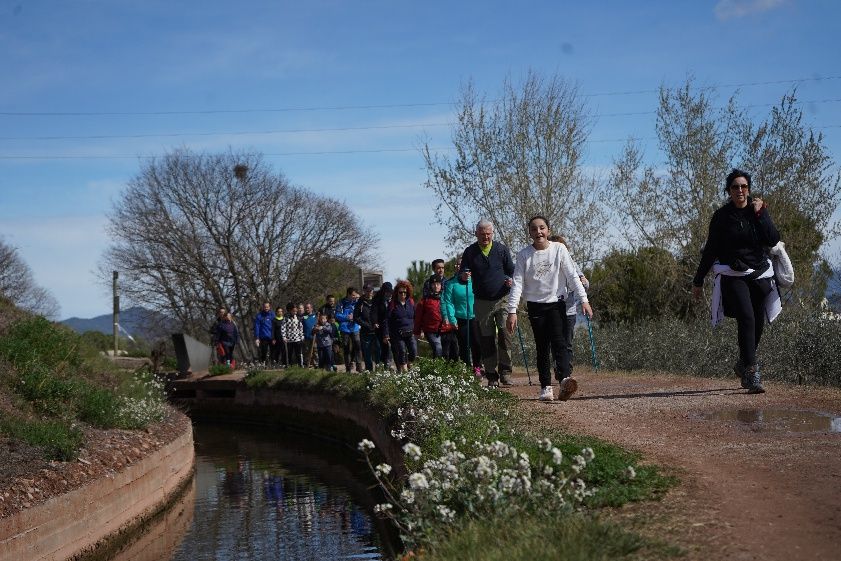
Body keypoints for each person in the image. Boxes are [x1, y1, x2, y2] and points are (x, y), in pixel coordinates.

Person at [692, 169, 781, 394]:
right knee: (747, 316)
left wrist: (762, 214)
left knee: (758, 322)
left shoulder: (757, 211)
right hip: (734, 273)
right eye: (735, 187)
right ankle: (751, 374)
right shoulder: (722, 216)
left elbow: (772, 239)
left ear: (748, 189)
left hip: (759, 272)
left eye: (743, 186)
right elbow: (711, 249)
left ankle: (743, 362)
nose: (740, 190)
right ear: (729, 191)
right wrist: (698, 280)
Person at [506, 216, 592, 402]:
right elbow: (517, 284)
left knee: (560, 343)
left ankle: (564, 380)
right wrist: (512, 311)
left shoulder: (559, 249)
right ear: (529, 233)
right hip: (536, 306)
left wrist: (583, 300)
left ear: (548, 231)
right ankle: (545, 387)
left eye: (542, 228)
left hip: (557, 303)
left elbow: (572, 276)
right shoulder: (523, 255)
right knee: (542, 346)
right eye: (534, 229)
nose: (539, 232)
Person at [459, 220, 515, 387]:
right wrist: (464, 276)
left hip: (502, 298)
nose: (485, 237)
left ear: (492, 233)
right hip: (481, 301)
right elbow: (463, 271)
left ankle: (506, 372)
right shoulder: (470, 252)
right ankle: (491, 375)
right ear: (476, 233)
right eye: (482, 234)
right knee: (486, 338)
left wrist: (510, 281)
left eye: (488, 234)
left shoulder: (501, 250)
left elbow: (511, 271)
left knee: (505, 335)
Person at [548, 235, 590, 383]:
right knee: (555, 343)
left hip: (569, 310)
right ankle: (559, 369)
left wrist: (583, 282)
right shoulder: (547, 266)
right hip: (552, 310)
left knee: (567, 343)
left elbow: (584, 284)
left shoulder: (572, 263)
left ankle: (567, 372)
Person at [442, 265, 482, 375]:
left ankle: (477, 367)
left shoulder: (475, 282)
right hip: (460, 318)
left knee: (477, 343)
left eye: (469, 271)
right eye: (465, 271)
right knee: (464, 345)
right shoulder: (451, 284)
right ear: (460, 272)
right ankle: (467, 368)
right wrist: (452, 319)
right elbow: (448, 302)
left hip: (475, 317)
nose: (467, 274)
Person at [414, 274, 455, 359]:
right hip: (431, 330)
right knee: (438, 349)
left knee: (446, 354)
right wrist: (417, 332)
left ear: (441, 285)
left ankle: (444, 371)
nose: (436, 286)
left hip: (447, 329)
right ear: (430, 285)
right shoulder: (425, 300)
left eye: (438, 284)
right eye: (434, 284)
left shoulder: (447, 298)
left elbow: (452, 311)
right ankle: (437, 371)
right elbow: (418, 317)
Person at [387, 280, 417, 372]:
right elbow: (387, 320)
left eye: (405, 292)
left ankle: (409, 363)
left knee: (413, 351)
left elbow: (416, 317)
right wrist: (386, 334)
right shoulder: (393, 304)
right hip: (398, 333)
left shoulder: (411, 302)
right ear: (397, 292)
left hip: (410, 332)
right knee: (402, 351)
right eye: (401, 292)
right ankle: (404, 371)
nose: (403, 294)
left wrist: (419, 330)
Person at [336, 287, 363, 372]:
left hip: (355, 327)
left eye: (355, 295)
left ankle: (359, 366)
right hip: (345, 329)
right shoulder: (341, 302)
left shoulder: (357, 302)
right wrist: (347, 317)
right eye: (353, 295)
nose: (355, 297)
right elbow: (337, 315)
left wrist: (355, 317)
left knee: (358, 346)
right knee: (346, 348)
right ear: (348, 294)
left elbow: (361, 313)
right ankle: (348, 368)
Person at [371, 282, 394, 369]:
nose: (389, 293)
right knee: (384, 346)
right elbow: (374, 312)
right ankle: (385, 363)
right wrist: (375, 322)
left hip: (391, 326)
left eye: (390, 292)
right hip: (380, 327)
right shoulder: (377, 299)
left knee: (392, 345)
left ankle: (388, 363)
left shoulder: (393, 299)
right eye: (387, 292)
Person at [354, 284, 377, 371]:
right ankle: (369, 372)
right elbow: (356, 317)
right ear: (364, 291)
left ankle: (380, 372)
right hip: (365, 332)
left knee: (378, 353)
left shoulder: (376, 301)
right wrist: (366, 325)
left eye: (370, 291)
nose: (369, 292)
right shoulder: (360, 302)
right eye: (367, 291)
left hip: (376, 331)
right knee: (367, 354)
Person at [281, 302, 305, 368]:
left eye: (296, 311)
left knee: (299, 353)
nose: (295, 312)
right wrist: (284, 337)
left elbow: (300, 328)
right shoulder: (285, 318)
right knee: (289, 353)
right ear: (290, 310)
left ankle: (301, 365)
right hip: (289, 339)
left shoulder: (298, 318)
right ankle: (288, 365)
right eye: (293, 311)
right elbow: (283, 328)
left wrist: (302, 336)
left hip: (297, 339)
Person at [301, 303, 318, 367]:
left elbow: (318, 324)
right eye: (306, 308)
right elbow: (301, 326)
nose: (307, 309)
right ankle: (307, 363)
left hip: (314, 337)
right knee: (306, 350)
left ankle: (316, 363)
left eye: (308, 308)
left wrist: (317, 328)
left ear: (311, 308)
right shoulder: (303, 317)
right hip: (306, 336)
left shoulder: (315, 316)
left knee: (315, 350)